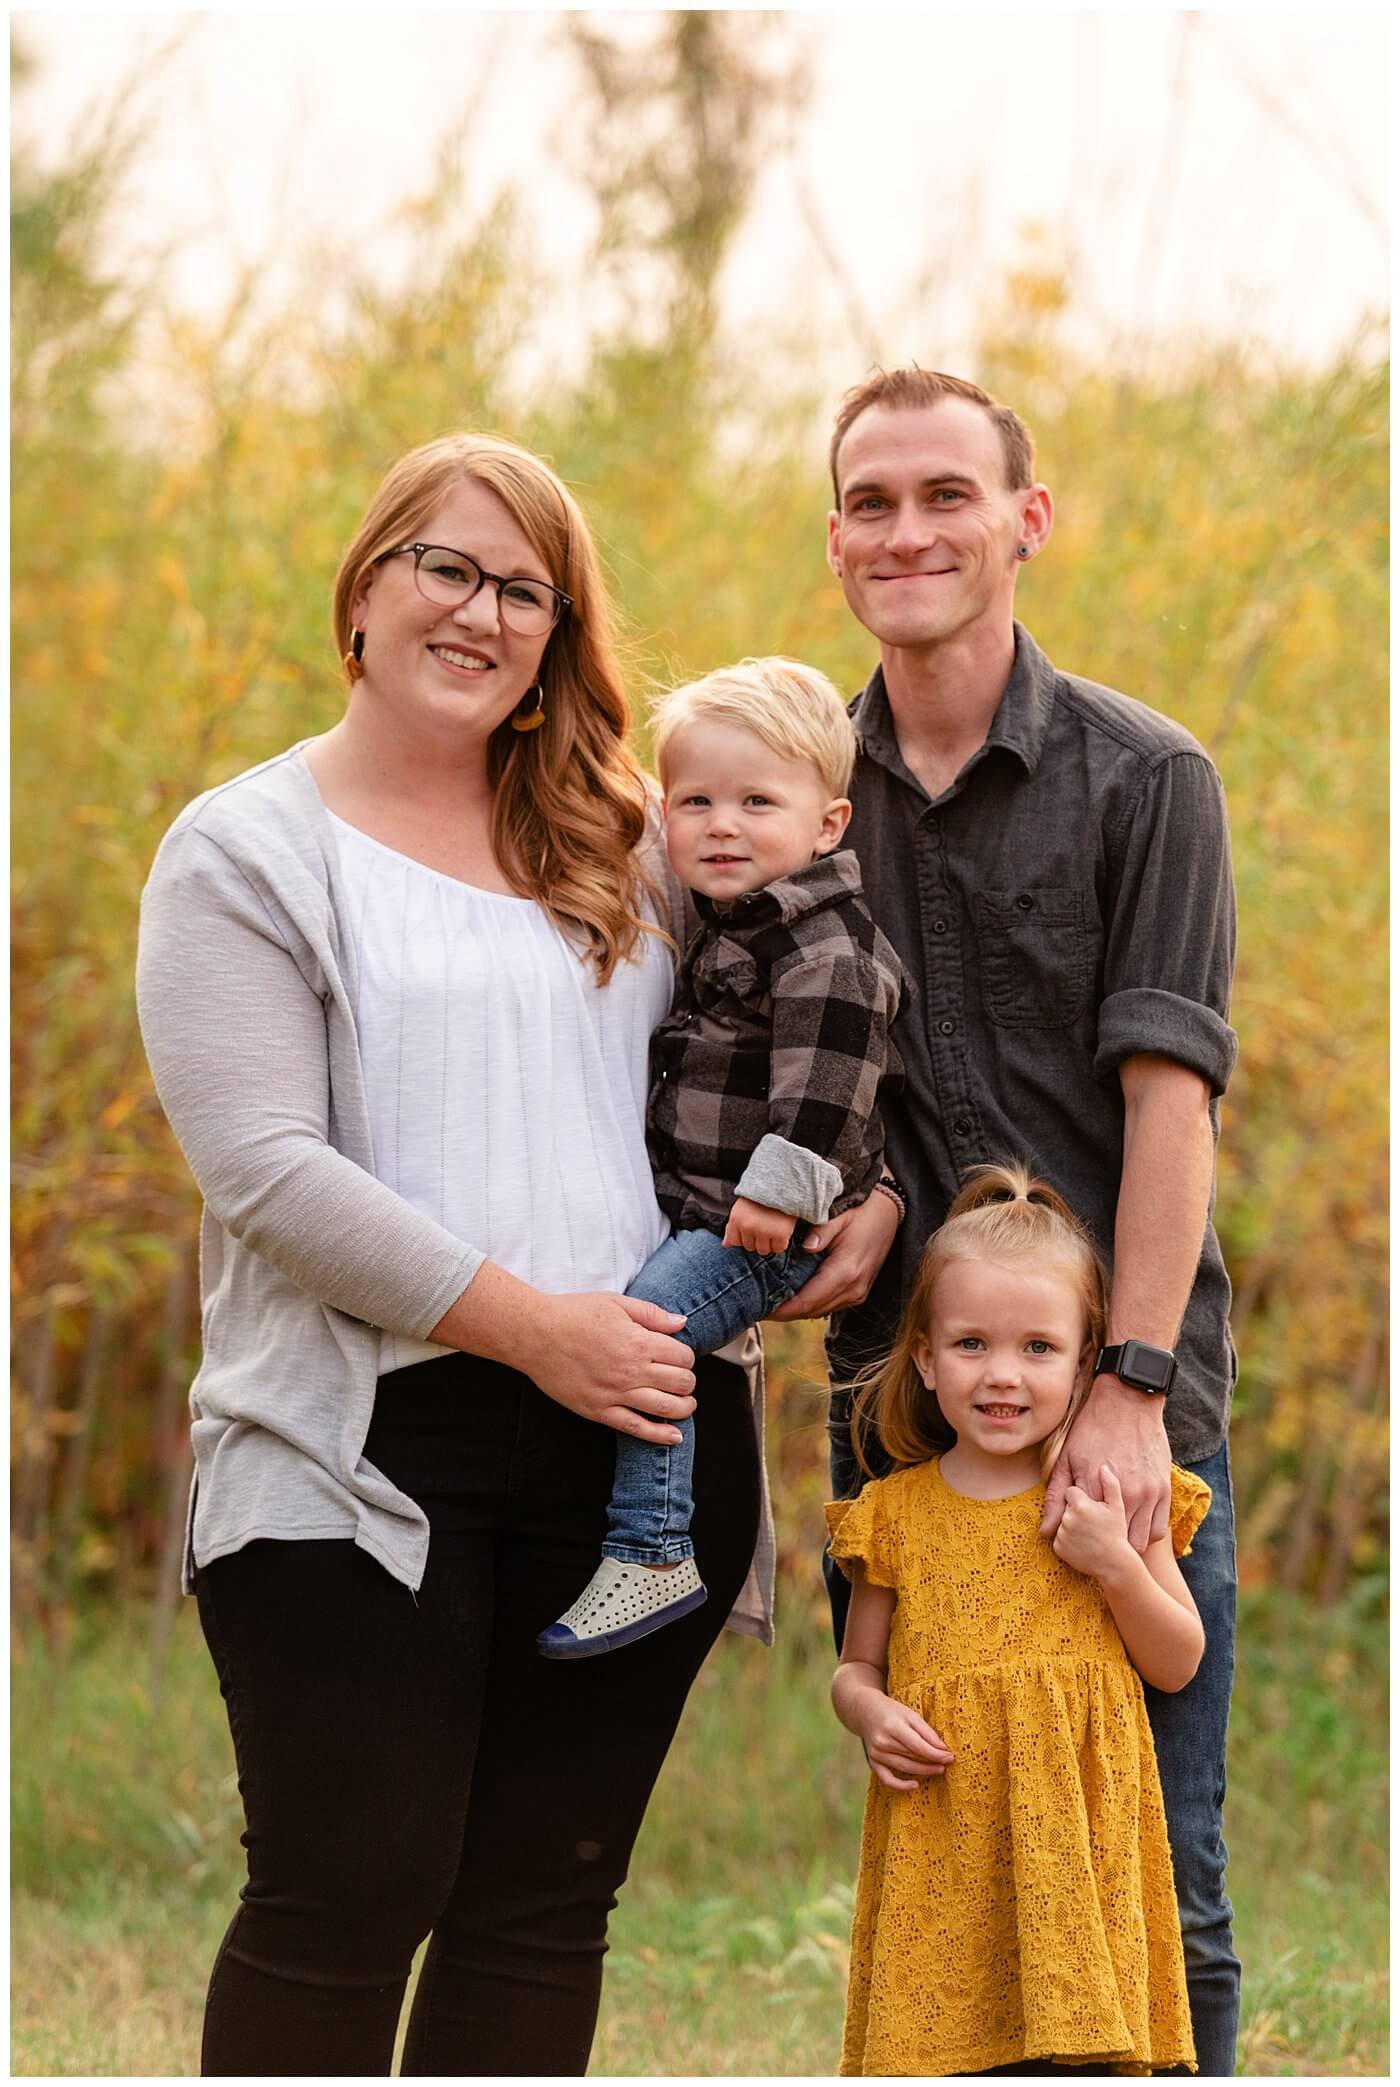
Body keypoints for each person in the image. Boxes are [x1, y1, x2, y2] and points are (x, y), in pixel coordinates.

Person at [135, 433, 776, 2076]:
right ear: (364, 591)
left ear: (561, 637)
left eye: (525, 589)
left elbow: (806, 1038)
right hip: (358, 1440)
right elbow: (263, 1167)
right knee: (352, 1883)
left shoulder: (639, 843)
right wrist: (527, 1325)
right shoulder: (245, 846)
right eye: (446, 566)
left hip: (643, 1432)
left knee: (540, 1899)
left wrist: (854, 1216)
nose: (480, 611)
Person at [770, 365, 1241, 2073]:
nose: (909, 529)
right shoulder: (804, 800)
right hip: (901, 1394)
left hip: (1113, 1376)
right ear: (837, 541)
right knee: (946, 1833)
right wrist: (860, 1202)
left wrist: (1130, 1380)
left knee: (1155, 1858)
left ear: (1023, 521)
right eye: (873, 502)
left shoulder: (1147, 777)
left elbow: (1167, 1105)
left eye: (946, 493)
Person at [539, 658, 903, 1658]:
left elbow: (828, 1092)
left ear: (825, 824)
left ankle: (652, 1547)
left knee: (651, 1334)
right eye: (694, 801)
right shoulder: (732, 919)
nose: (721, 825)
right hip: (711, 1207)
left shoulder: (822, 946)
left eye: (755, 801)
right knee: (652, 1330)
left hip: (761, 1225)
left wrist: (774, 1201)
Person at [828, 1162, 1207, 2077]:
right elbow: (855, 1669)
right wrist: (871, 1714)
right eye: (971, 1344)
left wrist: (1116, 1562)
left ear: (1086, 1359)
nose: (1002, 1374)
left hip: (1076, 1855)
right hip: (947, 1847)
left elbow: (1179, 1660)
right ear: (923, 1355)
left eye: (1039, 1347)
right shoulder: (895, 1512)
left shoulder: (1107, 1493)